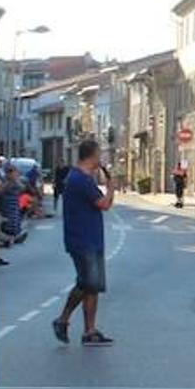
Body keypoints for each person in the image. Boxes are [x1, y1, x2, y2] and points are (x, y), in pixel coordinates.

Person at [52, 140, 117, 346]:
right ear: (93, 156)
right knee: (87, 282)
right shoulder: (81, 179)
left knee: (93, 285)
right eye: (99, 155)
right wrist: (111, 187)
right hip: (83, 239)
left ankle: (89, 330)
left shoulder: (81, 178)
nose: (101, 160)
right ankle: (63, 319)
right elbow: (104, 204)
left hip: (89, 238)